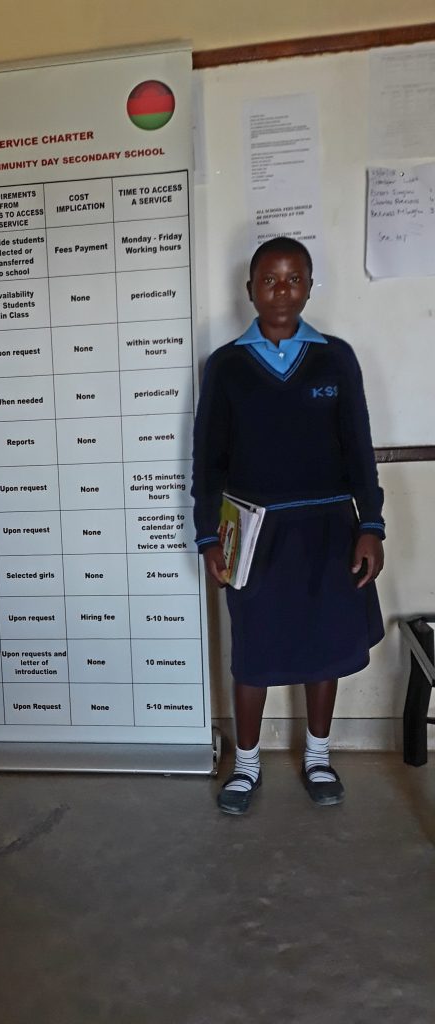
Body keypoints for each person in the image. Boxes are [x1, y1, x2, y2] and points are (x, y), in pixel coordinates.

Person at [192, 237, 385, 815]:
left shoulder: (335, 357)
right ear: (250, 289)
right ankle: (246, 765)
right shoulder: (226, 365)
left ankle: (318, 756)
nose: (282, 290)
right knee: (255, 651)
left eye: (294, 278)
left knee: (323, 647)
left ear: (308, 287)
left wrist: (370, 524)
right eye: (270, 279)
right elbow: (209, 460)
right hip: (252, 534)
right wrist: (209, 537)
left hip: (330, 529)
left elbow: (359, 448)